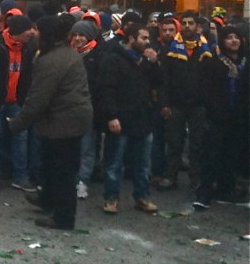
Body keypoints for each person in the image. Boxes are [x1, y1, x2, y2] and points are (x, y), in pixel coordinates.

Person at [8, 14, 93, 230]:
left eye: (38, 30)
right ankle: (47, 200)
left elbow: (37, 100)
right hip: (69, 118)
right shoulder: (64, 53)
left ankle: (63, 217)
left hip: (64, 121)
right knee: (52, 164)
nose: (34, 34)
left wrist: (15, 124)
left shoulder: (51, 61)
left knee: (62, 171)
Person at [96, 20, 161, 215]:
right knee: (114, 162)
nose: (147, 42)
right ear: (131, 38)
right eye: (144, 38)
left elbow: (159, 83)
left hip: (142, 119)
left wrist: (155, 63)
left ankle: (141, 196)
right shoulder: (113, 59)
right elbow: (106, 89)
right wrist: (111, 116)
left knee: (142, 164)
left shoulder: (145, 61)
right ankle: (111, 198)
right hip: (121, 119)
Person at [0, 13, 37, 192]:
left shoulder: (28, 48)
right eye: (28, 30)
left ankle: (20, 176)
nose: (32, 33)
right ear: (19, 31)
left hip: (17, 101)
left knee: (20, 138)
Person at [157, 12, 213, 192]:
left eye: (191, 23)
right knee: (174, 143)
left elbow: (211, 80)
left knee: (197, 144)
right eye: (185, 23)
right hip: (175, 104)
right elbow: (163, 79)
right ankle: (170, 177)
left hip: (198, 105)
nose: (187, 26)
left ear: (198, 26)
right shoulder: (169, 49)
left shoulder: (207, 49)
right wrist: (164, 103)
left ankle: (196, 178)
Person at [195, 26, 248, 208]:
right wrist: (216, 111)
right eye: (229, 38)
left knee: (232, 154)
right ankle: (204, 193)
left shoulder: (245, 63)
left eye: (236, 37)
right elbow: (206, 91)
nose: (234, 41)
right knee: (212, 155)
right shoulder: (214, 62)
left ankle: (227, 189)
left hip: (239, 120)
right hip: (218, 118)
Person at [70, 19, 102, 199]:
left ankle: (82, 181)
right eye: (75, 35)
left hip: (89, 108)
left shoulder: (98, 55)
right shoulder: (70, 53)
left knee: (87, 147)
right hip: (70, 108)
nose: (78, 38)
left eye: (81, 35)